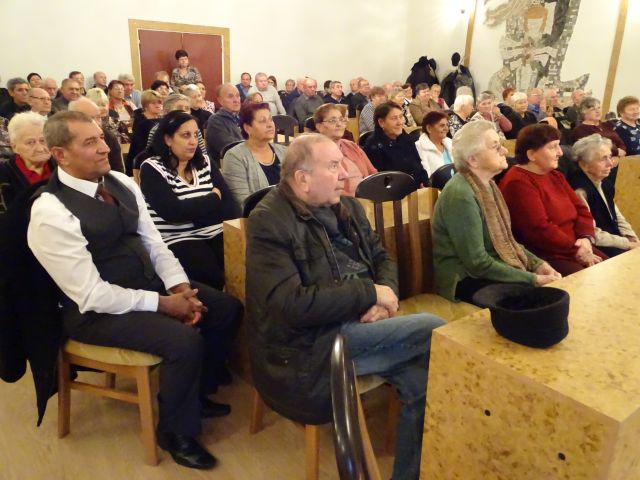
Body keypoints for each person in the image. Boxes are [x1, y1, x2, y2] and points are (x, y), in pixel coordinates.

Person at [28, 111, 241, 470]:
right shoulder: (50, 211)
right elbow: (91, 294)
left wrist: (181, 287)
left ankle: (193, 395)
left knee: (225, 308)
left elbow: (154, 243)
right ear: (60, 155)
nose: (104, 147)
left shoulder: (120, 182)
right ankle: (175, 433)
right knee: (182, 341)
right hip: (95, 313)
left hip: (146, 285)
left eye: (101, 137)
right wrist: (164, 304)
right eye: (90, 142)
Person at [245, 133, 446, 480]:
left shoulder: (348, 207)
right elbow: (290, 305)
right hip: (312, 345)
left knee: (423, 378)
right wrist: (369, 293)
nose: (345, 174)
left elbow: (382, 257)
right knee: (435, 329)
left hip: (362, 323)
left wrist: (384, 296)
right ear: (302, 179)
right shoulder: (269, 221)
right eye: (334, 166)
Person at [432, 120, 561, 303]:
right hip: (463, 279)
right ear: (473, 160)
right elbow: (477, 263)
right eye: (495, 147)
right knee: (539, 300)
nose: (505, 151)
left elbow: (508, 241)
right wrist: (533, 279)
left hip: (488, 269)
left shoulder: (489, 185)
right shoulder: (461, 194)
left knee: (551, 294)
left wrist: (537, 264)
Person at [140, 110, 237, 290]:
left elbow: (230, 208)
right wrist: (213, 199)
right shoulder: (152, 168)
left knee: (247, 263)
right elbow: (173, 213)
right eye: (185, 135)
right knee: (211, 275)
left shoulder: (206, 162)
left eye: (195, 135)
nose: (193, 141)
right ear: (168, 139)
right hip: (177, 237)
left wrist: (192, 211)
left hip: (216, 230)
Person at [500, 124, 608, 275]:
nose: (560, 153)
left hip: (577, 247)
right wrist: (576, 249)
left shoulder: (555, 175)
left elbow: (582, 210)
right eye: (553, 147)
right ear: (531, 154)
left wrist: (586, 238)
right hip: (548, 255)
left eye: (559, 145)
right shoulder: (517, 182)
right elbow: (539, 229)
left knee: (614, 270)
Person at [569, 134, 639, 257]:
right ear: (584, 164)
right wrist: (626, 243)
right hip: (597, 246)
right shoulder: (579, 190)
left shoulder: (604, 181)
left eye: (610, 157)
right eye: (603, 159)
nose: (610, 164)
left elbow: (615, 212)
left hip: (614, 239)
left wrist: (631, 236)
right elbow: (591, 232)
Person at [221, 102, 287, 208]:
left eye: (271, 119)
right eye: (262, 121)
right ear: (248, 128)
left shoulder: (284, 151)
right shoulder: (234, 157)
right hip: (257, 215)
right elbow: (244, 202)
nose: (270, 125)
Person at [314, 103, 377, 195]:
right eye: (333, 121)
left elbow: (373, 173)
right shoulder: (315, 152)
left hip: (367, 197)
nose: (339, 124)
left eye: (341, 119)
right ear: (319, 127)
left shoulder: (352, 146)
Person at [0, 112, 54, 214]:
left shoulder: (64, 166)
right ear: (14, 147)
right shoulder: (3, 175)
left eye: (43, 140)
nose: (40, 149)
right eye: (30, 142)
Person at [364, 101, 428, 186]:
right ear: (381, 122)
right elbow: (380, 181)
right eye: (394, 118)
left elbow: (418, 165)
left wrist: (424, 183)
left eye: (401, 117)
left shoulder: (407, 138)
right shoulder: (373, 145)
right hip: (393, 191)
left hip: (416, 189)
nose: (400, 122)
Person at [572, 97, 626, 184]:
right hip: (598, 167)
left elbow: (621, 143)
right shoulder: (580, 130)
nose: (598, 111)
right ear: (584, 112)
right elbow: (592, 149)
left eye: (599, 108)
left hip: (618, 162)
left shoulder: (607, 125)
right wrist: (616, 152)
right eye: (593, 109)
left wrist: (618, 157)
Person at [69, 96, 123, 174]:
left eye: (98, 117)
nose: (96, 123)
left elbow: (118, 172)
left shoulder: (109, 137)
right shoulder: (64, 139)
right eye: (89, 118)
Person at [205, 83, 243, 165]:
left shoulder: (240, 117)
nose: (236, 100)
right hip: (225, 167)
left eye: (238, 95)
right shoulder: (215, 121)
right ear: (220, 101)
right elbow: (231, 148)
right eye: (230, 96)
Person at [126, 90, 163, 173]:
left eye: (159, 102)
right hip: (141, 161)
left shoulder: (162, 120)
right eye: (153, 103)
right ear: (145, 105)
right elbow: (139, 147)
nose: (158, 105)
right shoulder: (140, 121)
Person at [415, 111, 453, 178]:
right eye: (442, 125)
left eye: (447, 125)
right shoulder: (419, 147)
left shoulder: (450, 142)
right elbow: (427, 177)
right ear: (429, 128)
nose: (446, 128)